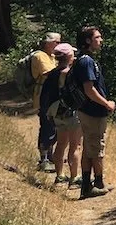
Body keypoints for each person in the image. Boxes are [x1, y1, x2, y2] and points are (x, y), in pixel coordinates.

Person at [72, 26, 116, 199]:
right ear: (88, 40)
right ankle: (98, 184)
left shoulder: (84, 60)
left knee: (89, 148)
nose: (101, 40)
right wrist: (107, 104)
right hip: (93, 112)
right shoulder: (87, 62)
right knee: (97, 148)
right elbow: (89, 90)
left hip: (87, 110)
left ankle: (87, 185)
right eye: (97, 37)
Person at [41, 43, 81, 187]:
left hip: (56, 113)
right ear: (69, 56)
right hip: (70, 112)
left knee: (61, 143)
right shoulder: (68, 73)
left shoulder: (52, 73)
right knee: (75, 146)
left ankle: (60, 175)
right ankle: (74, 177)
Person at [32, 32, 60, 171]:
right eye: (57, 42)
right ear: (48, 43)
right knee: (47, 125)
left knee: (54, 126)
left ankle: (50, 155)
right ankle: (44, 159)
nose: (58, 45)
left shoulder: (52, 56)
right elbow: (48, 73)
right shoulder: (39, 56)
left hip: (52, 95)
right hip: (44, 95)